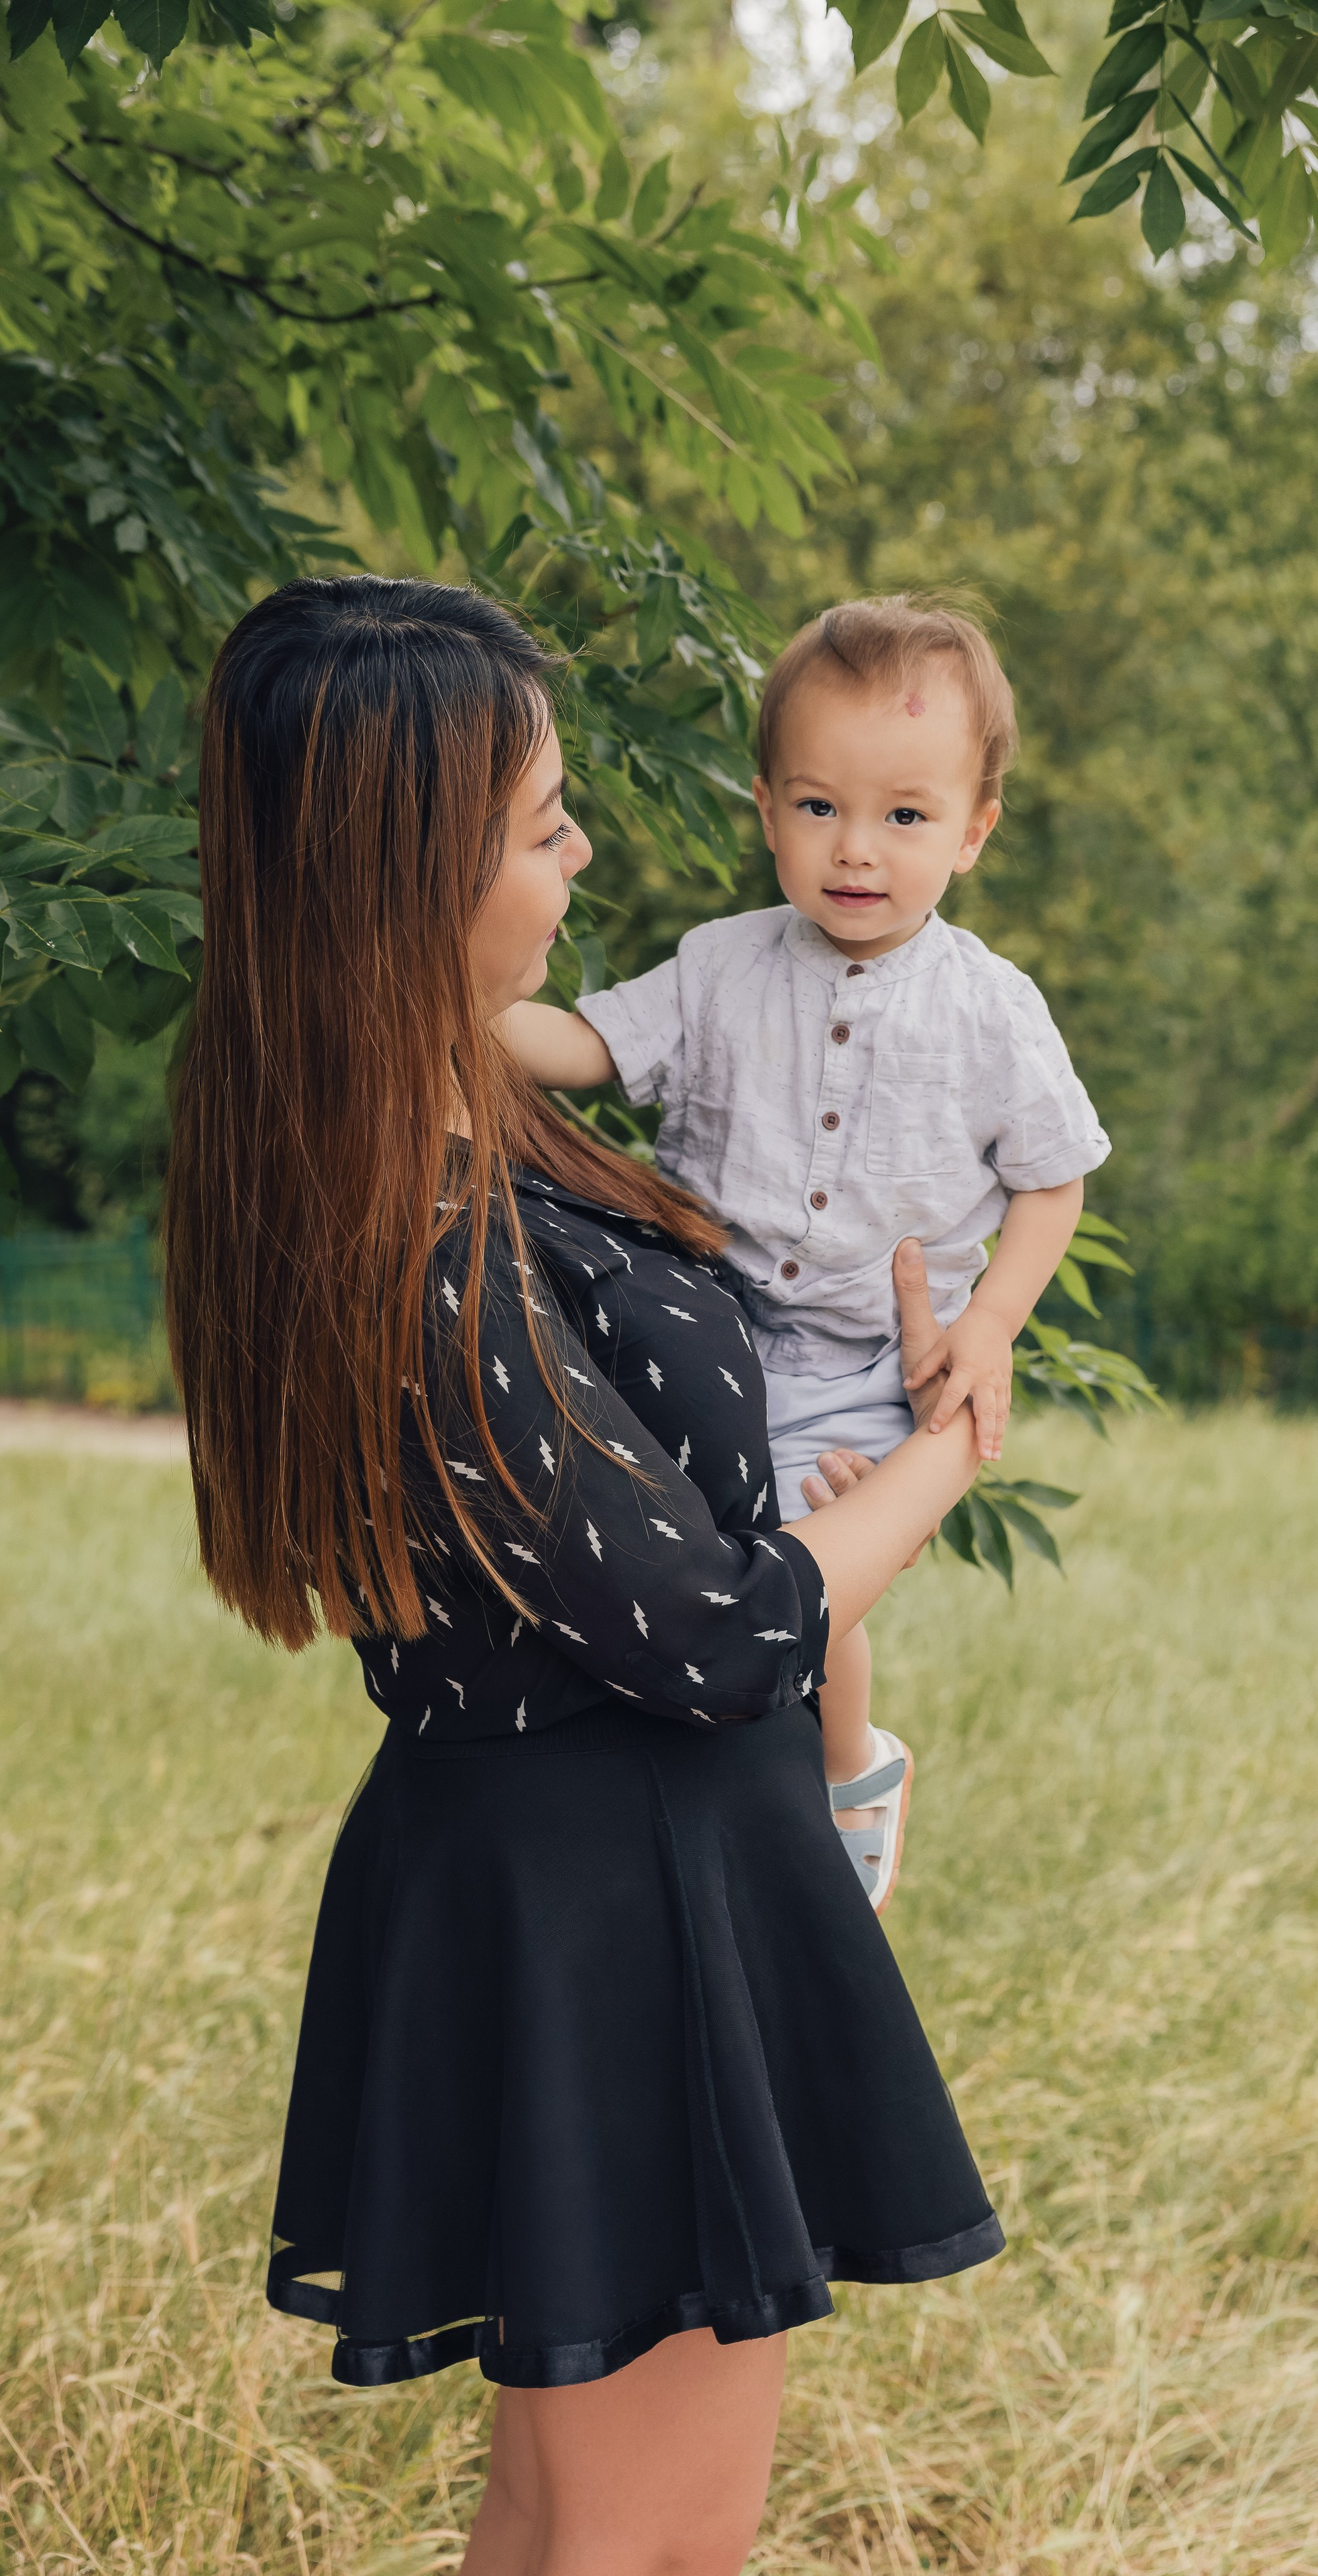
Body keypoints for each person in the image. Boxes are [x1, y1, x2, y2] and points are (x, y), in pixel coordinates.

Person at [162, 575, 1004, 2576]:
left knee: (564, 2526)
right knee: (646, 2544)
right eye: (547, 824)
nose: (586, 854)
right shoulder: (423, 1223)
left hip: (578, 1872)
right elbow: (717, 1631)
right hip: (621, 1900)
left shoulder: (452, 1128)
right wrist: (964, 1439)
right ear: (419, 865)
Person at [503, 596, 1109, 1909]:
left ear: (971, 834)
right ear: (767, 810)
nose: (856, 849)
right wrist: (457, 1014)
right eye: (818, 807)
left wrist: (991, 1322)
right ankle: (691, 1808)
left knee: (797, 1566)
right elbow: (590, 1051)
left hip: (855, 1366)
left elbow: (1050, 1182)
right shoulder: (720, 966)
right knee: (656, 1575)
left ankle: (846, 1774)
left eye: (904, 816)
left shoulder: (989, 1010)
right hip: (705, 1327)